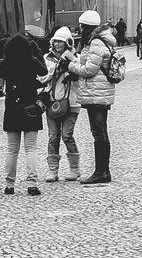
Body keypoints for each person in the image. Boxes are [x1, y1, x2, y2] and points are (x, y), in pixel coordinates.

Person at [66, 10, 120, 184]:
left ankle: (102, 171)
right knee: (99, 131)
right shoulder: (100, 40)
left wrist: (71, 65)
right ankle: (102, 170)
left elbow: (89, 69)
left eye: (81, 26)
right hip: (98, 91)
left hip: (97, 92)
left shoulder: (96, 42)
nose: (80, 29)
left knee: (99, 132)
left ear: (87, 27)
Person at [0, 33, 49, 195]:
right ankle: (32, 184)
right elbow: (44, 72)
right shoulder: (32, 61)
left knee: (12, 149)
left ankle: (9, 184)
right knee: (31, 148)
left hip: (12, 106)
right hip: (30, 106)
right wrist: (37, 52)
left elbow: (3, 75)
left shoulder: (6, 64)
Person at [43, 26, 81, 182]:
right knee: (53, 137)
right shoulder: (47, 58)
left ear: (68, 43)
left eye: (61, 42)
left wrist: (71, 69)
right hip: (52, 102)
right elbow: (42, 78)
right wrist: (56, 70)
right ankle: (53, 171)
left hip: (72, 102)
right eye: (55, 41)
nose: (57, 44)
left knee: (67, 135)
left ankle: (75, 169)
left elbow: (81, 77)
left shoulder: (76, 58)